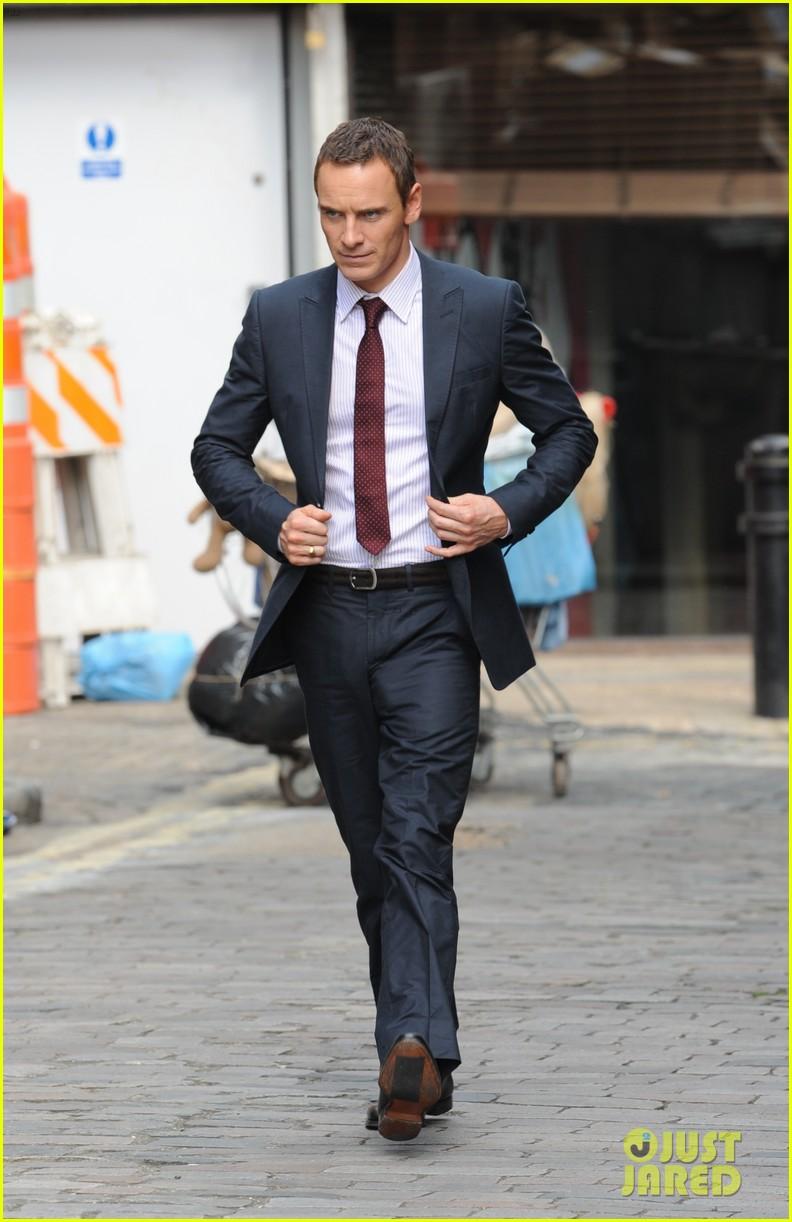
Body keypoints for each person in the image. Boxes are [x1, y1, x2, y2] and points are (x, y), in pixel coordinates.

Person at [191, 117, 597, 1142]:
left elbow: (567, 430)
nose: (350, 236)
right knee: (373, 846)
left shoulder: (483, 308)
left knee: (418, 832)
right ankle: (417, 1050)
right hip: (329, 612)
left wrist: (505, 511)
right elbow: (216, 448)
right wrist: (272, 519)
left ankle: (411, 1049)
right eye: (332, 214)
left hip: (434, 610)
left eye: (370, 213)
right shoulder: (280, 316)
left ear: (412, 203)